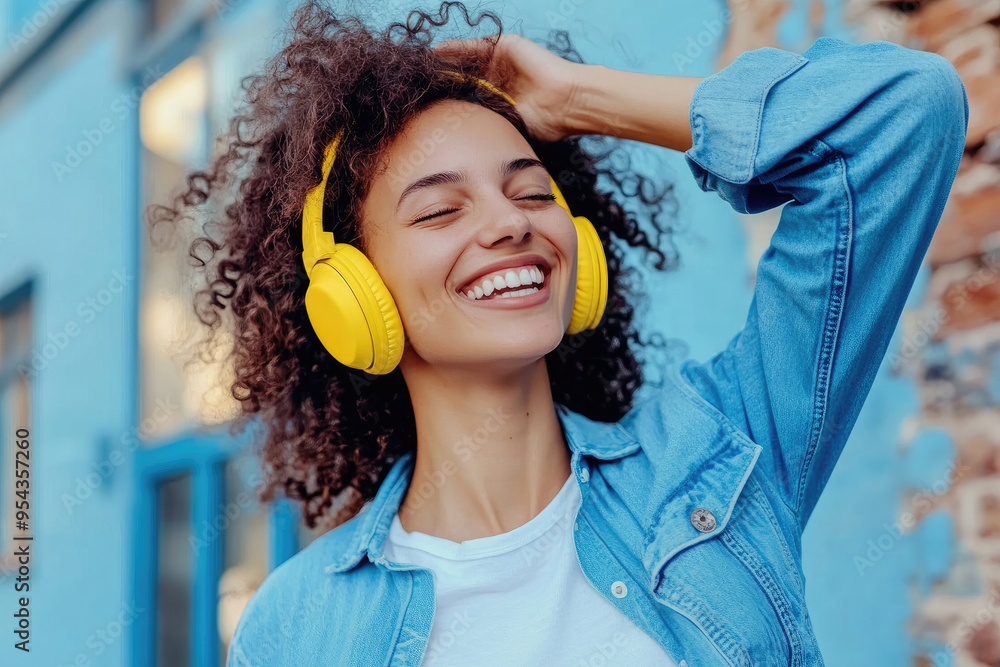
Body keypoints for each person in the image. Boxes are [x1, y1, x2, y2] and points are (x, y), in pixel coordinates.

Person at [147, 1, 969, 664]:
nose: (509, 223)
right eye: (440, 209)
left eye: (532, 192)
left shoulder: (719, 455)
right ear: (349, 295)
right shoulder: (296, 629)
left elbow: (906, 114)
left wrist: (580, 101)